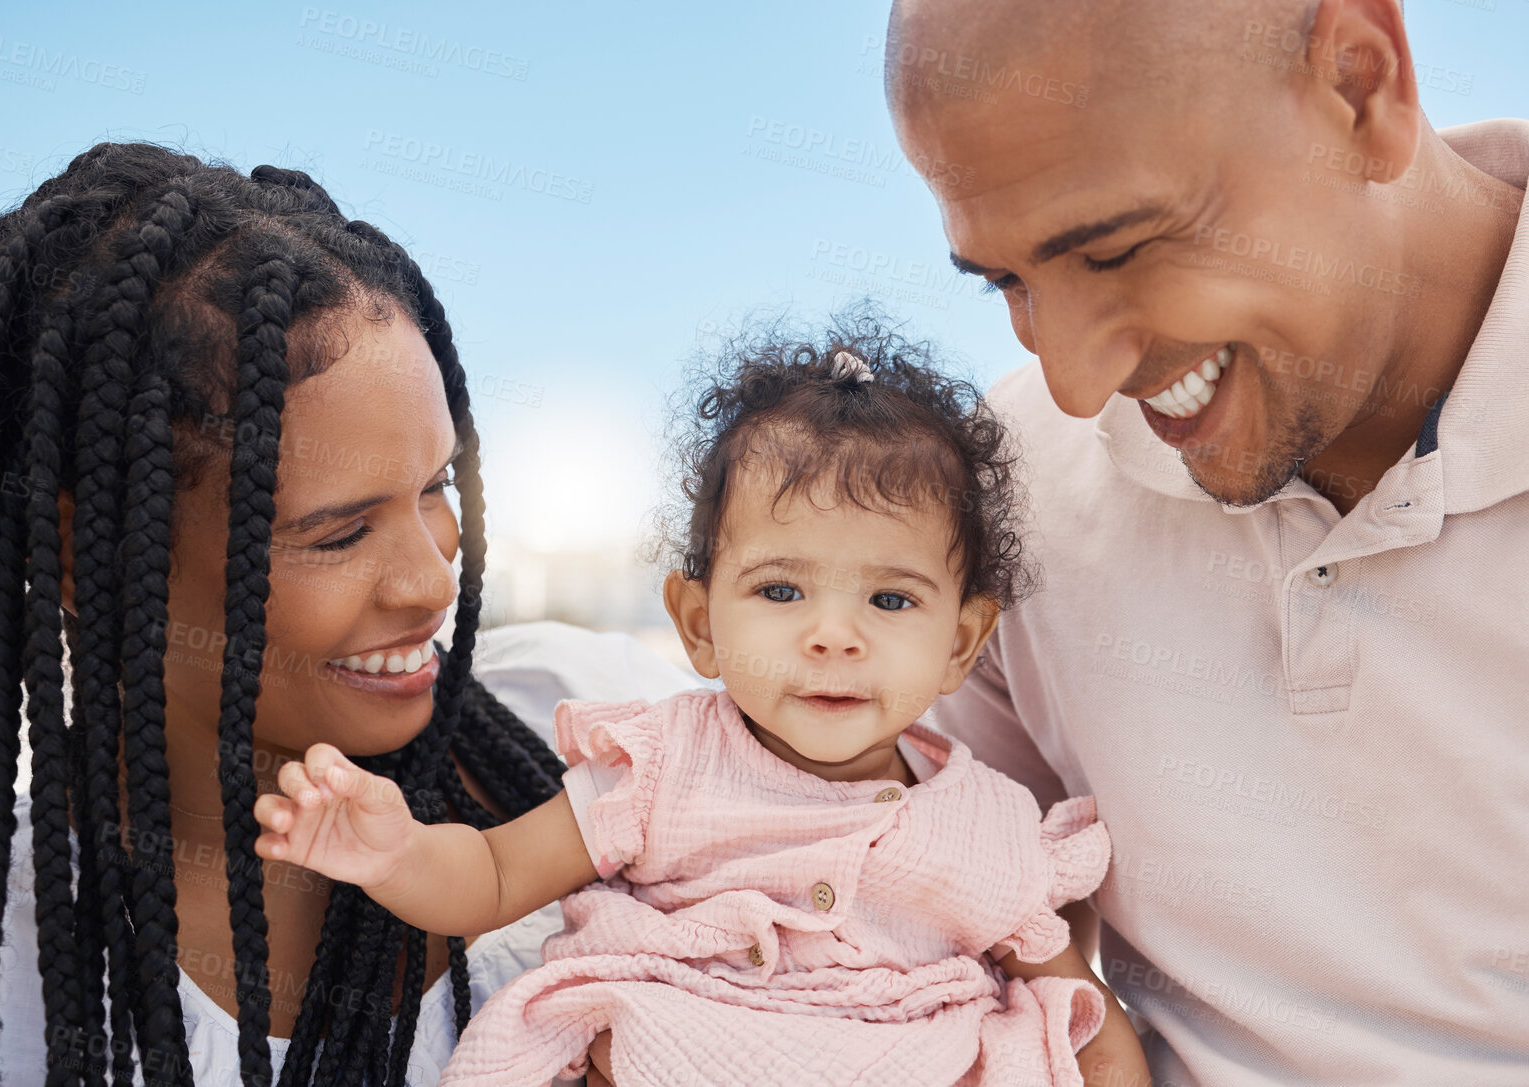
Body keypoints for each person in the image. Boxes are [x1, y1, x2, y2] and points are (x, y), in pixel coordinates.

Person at [887, 0, 1529, 1082]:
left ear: (1356, 83)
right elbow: (912, 902)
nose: (1074, 378)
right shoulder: (1010, 472)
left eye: (1115, 250)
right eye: (1007, 282)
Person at [0, 141, 695, 1087]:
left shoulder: (610, 728)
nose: (433, 584)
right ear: (83, 556)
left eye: (435, 484)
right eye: (338, 533)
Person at [251, 319, 1154, 1087]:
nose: (833, 637)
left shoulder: (988, 825)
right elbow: (490, 878)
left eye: (890, 600)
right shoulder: (663, 766)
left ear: (962, 641)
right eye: (780, 591)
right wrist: (395, 849)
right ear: (697, 624)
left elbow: (1081, 1015)